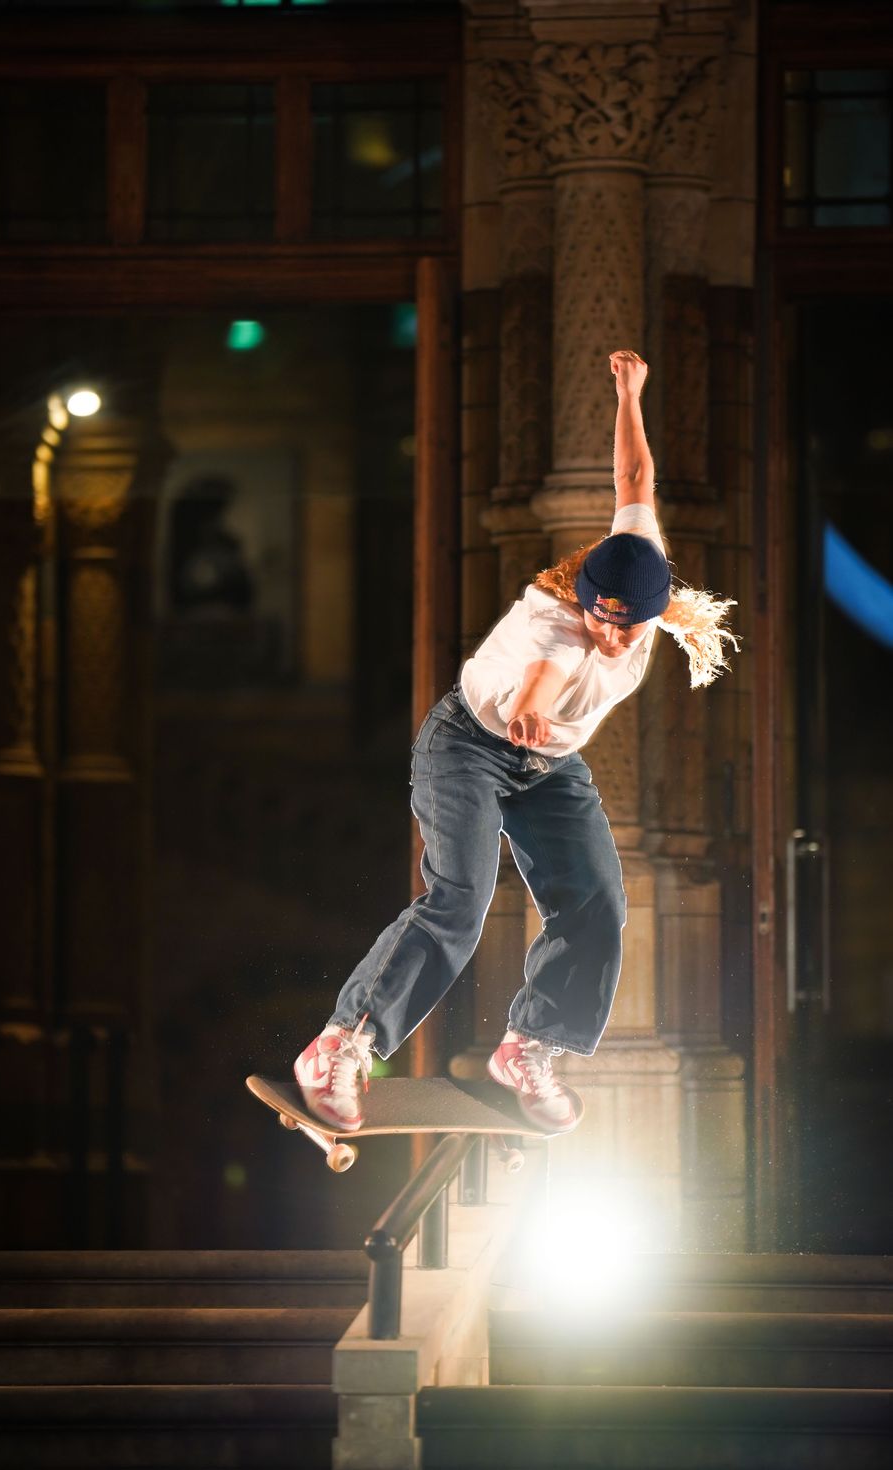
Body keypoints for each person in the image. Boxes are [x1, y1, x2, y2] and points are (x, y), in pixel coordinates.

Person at [293, 350, 738, 1133]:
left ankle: (528, 1046)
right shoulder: (555, 625)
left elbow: (634, 480)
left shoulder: (641, 556)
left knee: (597, 899)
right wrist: (531, 709)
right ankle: (343, 1044)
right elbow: (541, 679)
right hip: (467, 744)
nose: (605, 632)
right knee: (461, 898)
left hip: (550, 766)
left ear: (652, 609)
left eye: (621, 622)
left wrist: (631, 395)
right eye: (596, 615)